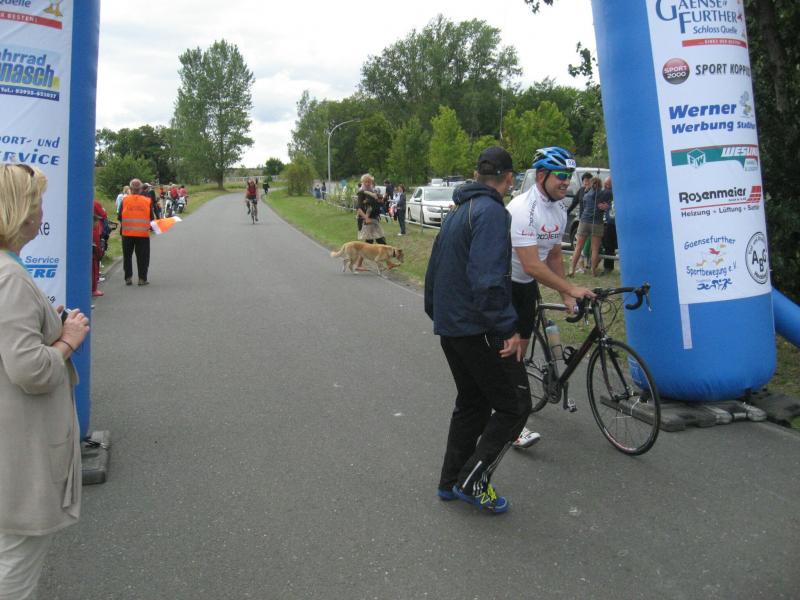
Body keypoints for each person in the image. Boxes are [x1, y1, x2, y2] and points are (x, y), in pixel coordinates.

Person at [0, 163, 90, 598]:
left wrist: (45, 327)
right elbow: (29, 369)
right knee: (14, 566)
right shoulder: (10, 277)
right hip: (16, 453)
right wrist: (68, 339)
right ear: (21, 211)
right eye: (37, 203)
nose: (41, 213)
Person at [424, 146, 530, 514]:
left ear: (475, 175)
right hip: (478, 328)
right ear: (509, 178)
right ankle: (472, 481)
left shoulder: (458, 211)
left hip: (451, 327)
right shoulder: (492, 213)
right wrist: (508, 328)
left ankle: (450, 481)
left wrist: (438, 315)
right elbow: (488, 279)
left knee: (473, 403)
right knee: (515, 405)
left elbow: (433, 271)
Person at [505, 147, 596, 449]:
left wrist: (565, 293)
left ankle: (514, 399)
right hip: (505, 285)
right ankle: (511, 424)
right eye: (561, 175)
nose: (566, 181)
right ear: (542, 175)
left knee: (521, 351)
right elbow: (532, 264)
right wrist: (572, 289)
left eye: (569, 175)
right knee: (510, 354)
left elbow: (554, 255)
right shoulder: (523, 208)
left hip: (527, 285)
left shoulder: (559, 208)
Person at [568, 176, 608, 277]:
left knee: (578, 247)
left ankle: (572, 269)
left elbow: (585, 204)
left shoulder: (586, 195)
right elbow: (606, 202)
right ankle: (594, 271)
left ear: (591, 184)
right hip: (597, 223)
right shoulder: (603, 194)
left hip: (584, 221)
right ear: (600, 184)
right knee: (595, 249)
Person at [118, 178, 154, 286]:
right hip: (142, 234)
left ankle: (128, 278)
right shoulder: (147, 201)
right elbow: (151, 217)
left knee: (127, 257)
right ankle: (142, 279)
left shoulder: (125, 200)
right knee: (143, 257)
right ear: (140, 189)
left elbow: (119, 216)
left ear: (130, 188)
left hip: (127, 234)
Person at [599, 177, 617, 275]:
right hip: (610, 223)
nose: (605, 186)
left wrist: (608, 207)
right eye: (605, 184)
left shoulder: (619, 192)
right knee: (608, 245)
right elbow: (600, 203)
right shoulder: (606, 193)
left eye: (607, 184)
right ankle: (608, 267)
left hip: (619, 224)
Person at [92, 199, 108, 297]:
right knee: (94, 266)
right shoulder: (95, 203)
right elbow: (103, 214)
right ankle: (93, 289)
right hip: (96, 236)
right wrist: (99, 253)